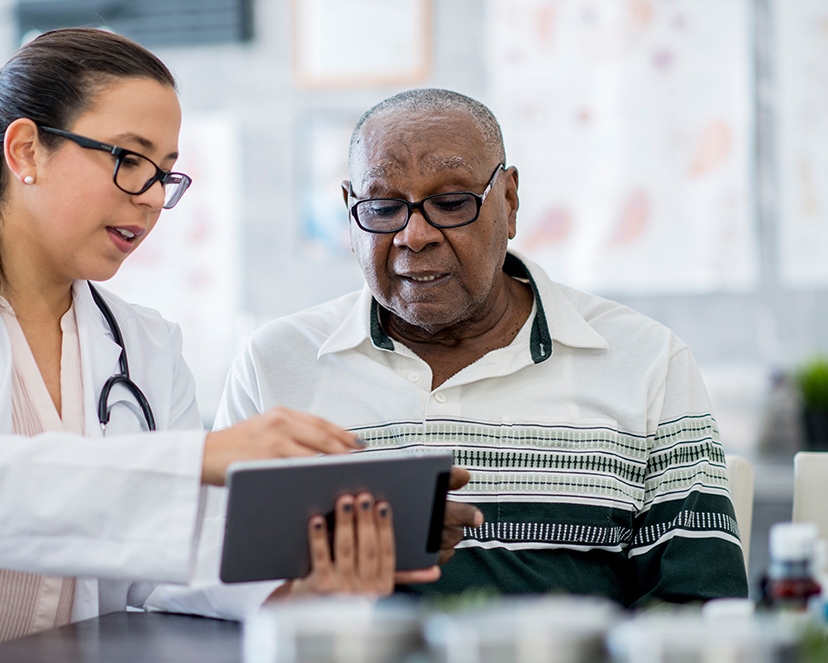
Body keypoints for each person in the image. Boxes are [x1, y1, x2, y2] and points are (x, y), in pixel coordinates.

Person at [0, 30, 442, 663]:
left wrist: (301, 577)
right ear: (26, 150)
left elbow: (165, 561)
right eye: (129, 159)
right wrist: (200, 457)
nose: (151, 199)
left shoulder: (143, 344)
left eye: (166, 174)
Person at [215, 88, 749, 607]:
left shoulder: (646, 361)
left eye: (450, 203)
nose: (414, 235)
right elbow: (211, 586)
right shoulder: (275, 364)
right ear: (350, 211)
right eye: (382, 207)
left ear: (510, 201)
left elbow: (699, 608)